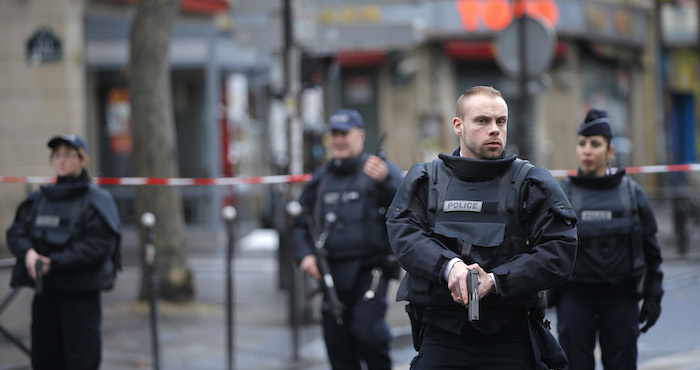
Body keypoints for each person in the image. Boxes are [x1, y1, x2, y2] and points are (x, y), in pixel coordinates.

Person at [386, 85, 578, 369]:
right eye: (482, 121)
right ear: (458, 126)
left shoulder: (530, 184)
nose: (494, 129)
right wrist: (448, 267)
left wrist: (497, 280)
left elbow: (559, 251)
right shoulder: (425, 181)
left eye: (501, 121)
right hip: (443, 334)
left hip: (510, 334)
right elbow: (405, 235)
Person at [291, 109, 402, 369]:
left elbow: (406, 204)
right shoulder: (320, 179)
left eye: (345, 133)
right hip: (331, 276)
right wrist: (305, 255)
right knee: (338, 346)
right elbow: (298, 223)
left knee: (370, 335)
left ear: (361, 136)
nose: (338, 140)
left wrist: (386, 180)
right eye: (334, 134)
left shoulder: (378, 170)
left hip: (370, 271)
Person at [554, 109, 664, 370]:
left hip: (621, 298)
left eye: (595, 144)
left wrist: (654, 295)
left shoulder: (631, 193)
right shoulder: (562, 194)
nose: (587, 151)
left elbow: (652, 250)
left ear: (610, 150)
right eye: (582, 144)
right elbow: (547, 248)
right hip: (575, 298)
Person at [6, 134, 121, 370]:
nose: (62, 160)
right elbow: (16, 231)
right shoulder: (39, 199)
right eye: (57, 155)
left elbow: (98, 246)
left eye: (68, 155)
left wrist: (54, 262)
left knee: (81, 360)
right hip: (45, 294)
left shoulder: (97, 200)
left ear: (82, 160)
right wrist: (28, 253)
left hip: (80, 296)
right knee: (45, 360)